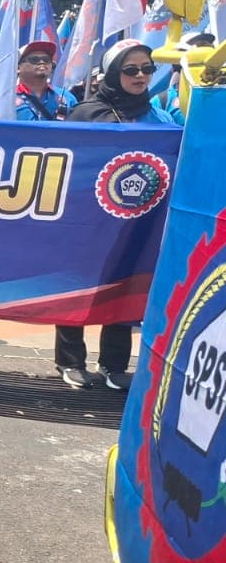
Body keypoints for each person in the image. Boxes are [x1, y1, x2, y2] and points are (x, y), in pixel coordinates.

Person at [55, 40, 177, 389]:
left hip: (137, 222)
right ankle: (71, 362)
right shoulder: (86, 115)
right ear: (112, 73)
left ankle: (113, 365)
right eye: (131, 70)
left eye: (147, 69)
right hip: (88, 221)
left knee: (126, 286)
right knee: (75, 288)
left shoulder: (160, 116)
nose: (141, 76)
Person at [14, 40, 72, 121]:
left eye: (46, 59)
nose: (42, 62)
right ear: (18, 68)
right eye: (34, 59)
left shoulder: (67, 97)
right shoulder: (7, 98)